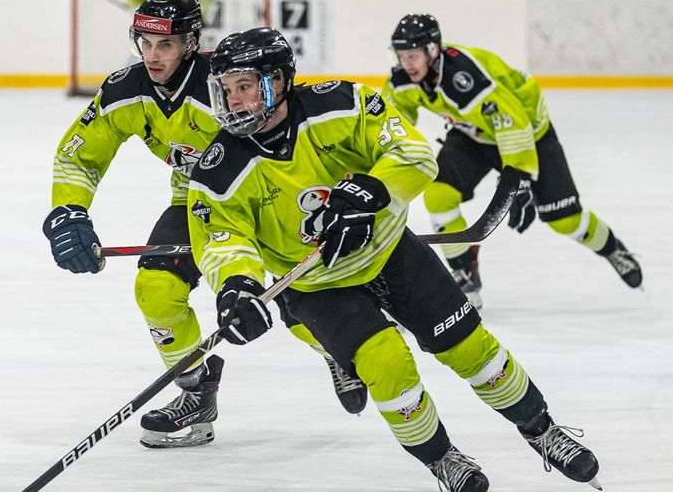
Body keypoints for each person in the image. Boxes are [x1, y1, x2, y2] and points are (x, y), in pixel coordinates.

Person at [190, 27, 600, 491]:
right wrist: (237, 285)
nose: (235, 101)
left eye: (245, 86)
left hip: (389, 251)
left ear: (279, 80)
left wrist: (373, 190)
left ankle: (542, 431)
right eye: (226, 89)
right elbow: (222, 238)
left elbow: (412, 152)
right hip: (317, 286)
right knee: (388, 366)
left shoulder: (340, 103)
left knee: (471, 350)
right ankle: (442, 458)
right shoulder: (218, 166)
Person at [43, 0, 367, 451]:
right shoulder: (125, 90)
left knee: (296, 300)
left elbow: (301, 127)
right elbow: (78, 156)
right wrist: (68, 210)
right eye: (145, 44)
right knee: (155, 290)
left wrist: (344, 189)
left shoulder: (229, 82)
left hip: (272, 192)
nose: (152, 56)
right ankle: (198, 393)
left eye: (166, 45)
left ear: (192, 43)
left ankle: (336, 349)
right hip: (201, 200)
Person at [382, 14, 642, 308]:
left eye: (413, 56)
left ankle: (612, 249)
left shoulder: (463, 77)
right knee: (439, 194)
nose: (407, 64)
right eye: (402, 56)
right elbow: (393, 123)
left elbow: (513, 123)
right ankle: (465, 274)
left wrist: (518, 182)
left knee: (565, 219)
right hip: (474, 135)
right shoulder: (403, 79)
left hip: (530, 134)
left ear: (433, 50)